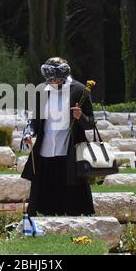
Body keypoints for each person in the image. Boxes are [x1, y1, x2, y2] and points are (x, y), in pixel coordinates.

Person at [21, 57, 96, 216]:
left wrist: (80, 116)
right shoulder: (41, 90)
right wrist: (29, 133)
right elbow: (35, 120)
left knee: (72, 195)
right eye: (49, 80)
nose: (52, 83)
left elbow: (90, 123)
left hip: (70, 151)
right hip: (45, 150)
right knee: (43, 192)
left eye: (55, 80)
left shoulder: (80, 90)